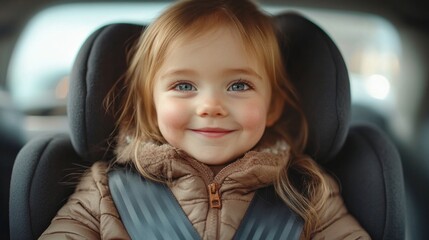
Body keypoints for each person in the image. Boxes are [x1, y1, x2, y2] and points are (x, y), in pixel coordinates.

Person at [40, 0, 370, 239]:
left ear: (272, 107)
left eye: (239, 85)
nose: (210, 105)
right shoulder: (106, 191)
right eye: (184, 86)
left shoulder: (308, 191)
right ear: (150, 104)